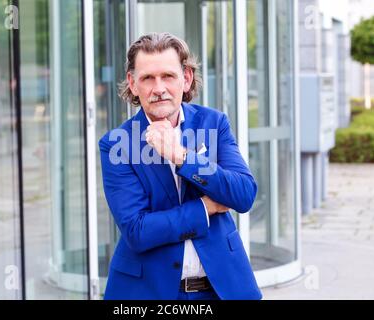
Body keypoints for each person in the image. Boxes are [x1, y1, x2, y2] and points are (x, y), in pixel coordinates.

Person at [99, 32, 261, 300]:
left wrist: (183, 157)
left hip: (223, 288)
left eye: (168, 76)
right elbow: (138, 231)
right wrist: (206, 207)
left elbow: (243, 194)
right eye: (148, 78)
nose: (159, 88)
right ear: (133, 83)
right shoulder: (117, 144)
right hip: (148, 292)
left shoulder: (214, 123)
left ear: (186, 78)